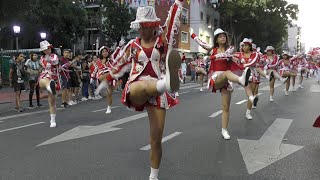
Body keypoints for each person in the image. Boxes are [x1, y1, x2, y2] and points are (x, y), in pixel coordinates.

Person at [97, 4, 184, 179]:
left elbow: (172, 17)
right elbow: (119, 65)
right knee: (141, 85)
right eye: (141, 26)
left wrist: (179, 2)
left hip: (158, 92)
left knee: (156, 140)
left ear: (154, 25)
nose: (144, 29)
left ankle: (153, 176)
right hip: (137, 87)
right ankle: (166, 84)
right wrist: (106, 81)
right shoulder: (133, 45)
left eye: (147, 25)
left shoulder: (163, 40)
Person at [190, 28, 257, 139]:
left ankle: (224, 130)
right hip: (216, 78)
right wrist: (192, 33)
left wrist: (212, 57)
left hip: (227, 78)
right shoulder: (212, 49)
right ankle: (241, 80)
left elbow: (225, 55)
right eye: (220, 36)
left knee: (226, 107)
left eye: (224, 36)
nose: (223, 37)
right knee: (227, 73)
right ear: (216, 39)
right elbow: (200, 42)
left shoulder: (230, 49)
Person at [38, 40, 61, 128]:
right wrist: (46, 59)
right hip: (45, 76)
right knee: (43, 81)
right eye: (45, 49)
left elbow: (55, 62)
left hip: (53, 78)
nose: (47, 50)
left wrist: (49, 59)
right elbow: (44, 65)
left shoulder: (54, 56)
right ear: (43, 51)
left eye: (48, 48)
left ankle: (52, 120)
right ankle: (49, 87)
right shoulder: (42, 58)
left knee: (52, 102)